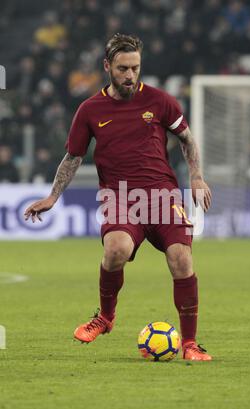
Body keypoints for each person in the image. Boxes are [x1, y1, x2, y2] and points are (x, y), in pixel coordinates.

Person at [24, 34, 212, 361]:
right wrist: (53, 196)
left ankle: (190, 344)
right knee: (116, 250)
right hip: (121, 197)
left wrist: (196, 176)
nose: (130, 75)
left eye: (135, 68)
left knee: (181, 258)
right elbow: (73, 158)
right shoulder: (90, 110)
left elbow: (187, 139)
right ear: (107, 66)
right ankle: (106, 318)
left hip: (162, 195)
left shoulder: (160, 101)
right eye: (123, 68)